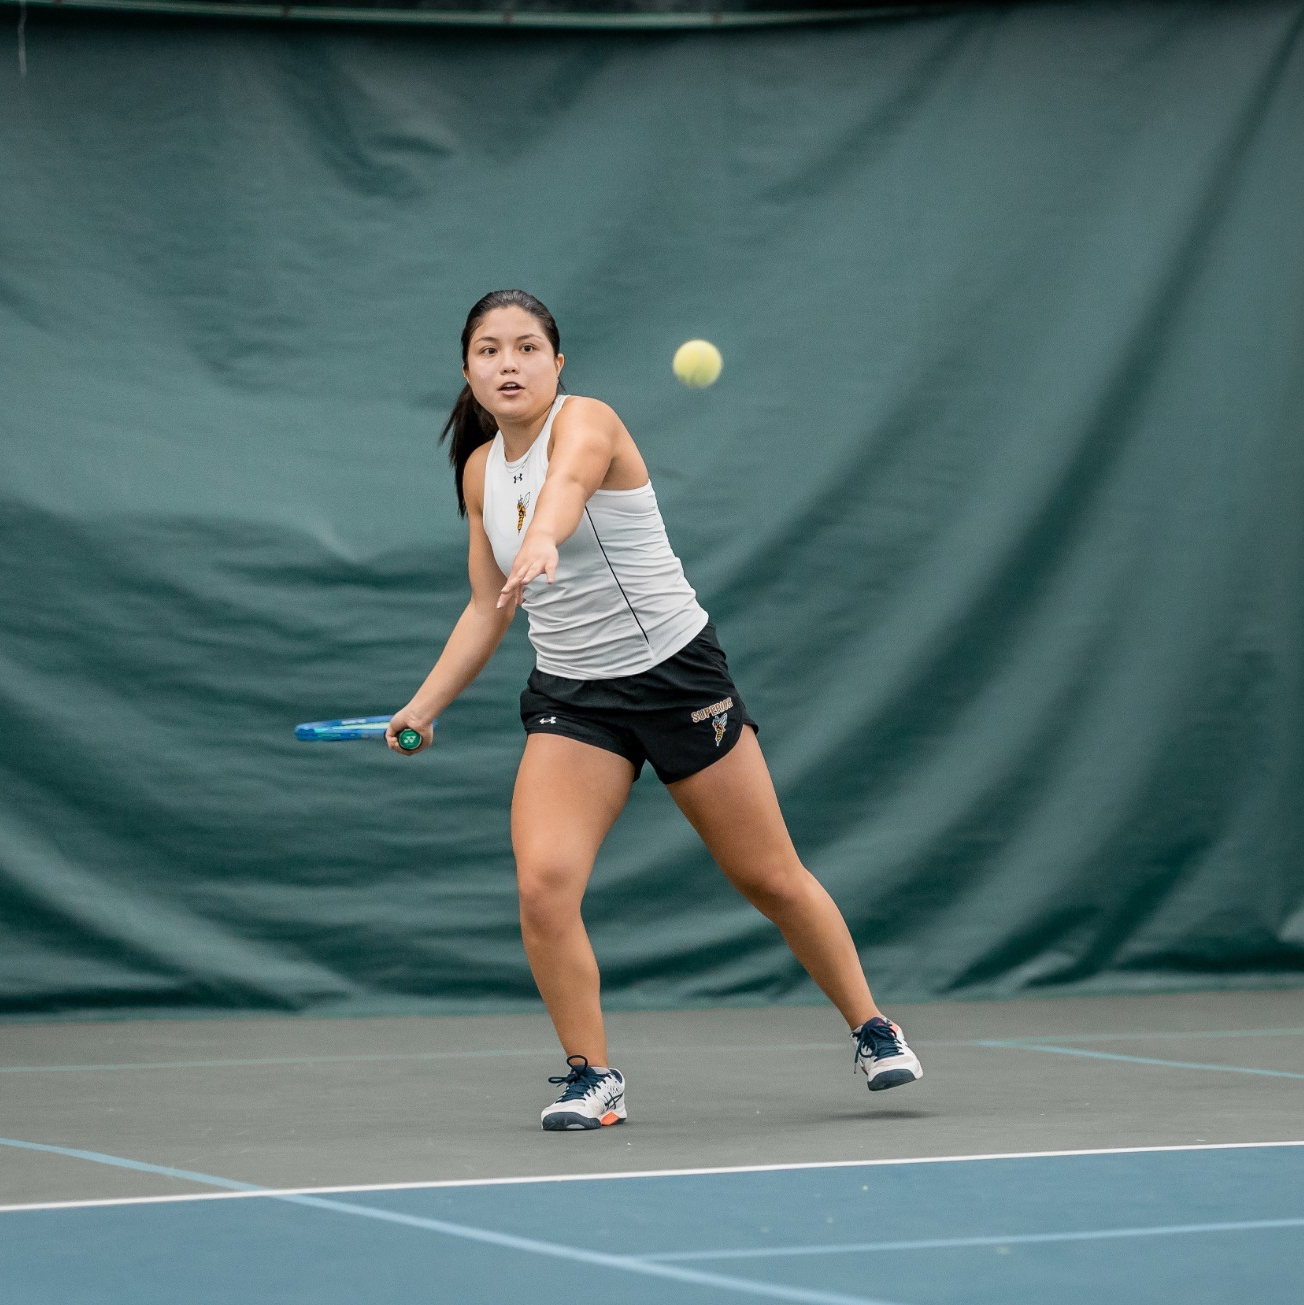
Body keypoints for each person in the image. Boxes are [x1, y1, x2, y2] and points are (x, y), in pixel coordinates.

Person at [387, 290, 922, 1131]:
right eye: (489, 351)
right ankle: (591, 1076)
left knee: (768, 875)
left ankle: (872, 1024)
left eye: (527, 348)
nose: (508, 364)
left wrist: (543, 538)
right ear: (468, 370)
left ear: (556, 364)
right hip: (573, 698)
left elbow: (565, 486)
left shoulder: (589, 420)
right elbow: (487, 607)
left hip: (675, 676)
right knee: (543, 886)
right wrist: (424, 703)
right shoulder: (480, 471)